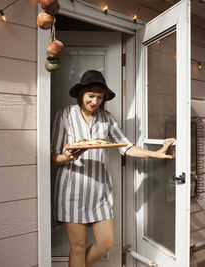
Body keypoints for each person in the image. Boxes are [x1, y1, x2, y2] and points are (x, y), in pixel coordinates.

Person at [51, 70, 175, 267]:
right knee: (78, 246)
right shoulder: (64, 115)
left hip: (99, 191)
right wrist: (65, 157)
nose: (95, 101)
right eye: (91, 96)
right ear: (81, 93)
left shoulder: (107, 118)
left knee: (106, 242)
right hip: (71, 190)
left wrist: (156, 153)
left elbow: (126, 147)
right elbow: (53, 156)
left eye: (99, 97)